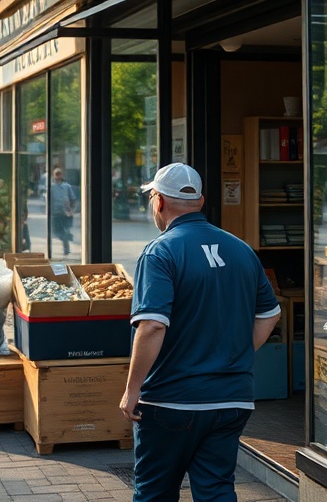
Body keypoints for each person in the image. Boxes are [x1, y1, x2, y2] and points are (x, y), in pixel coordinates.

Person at [119, 163, 281, 502]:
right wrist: (234, 355)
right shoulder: (241, 249)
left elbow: (151, 325)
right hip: (232, 398)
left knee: (154, 493)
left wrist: (132, 390)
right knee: (217, 491)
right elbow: (269, 314)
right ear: (201, 201)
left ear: (159, 202)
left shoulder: (160, 251)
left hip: (171, 400)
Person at [48, 167, 77, 256]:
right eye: (56, 174)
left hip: (66, 213)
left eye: (59, 174)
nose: (58, 176)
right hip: (55, 213)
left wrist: (72, 209)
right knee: (56, 231)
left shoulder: (67, 186)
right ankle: (67, 238)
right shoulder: (51, 187)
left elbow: (73, 199)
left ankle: (66, 249)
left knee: (65, 231)